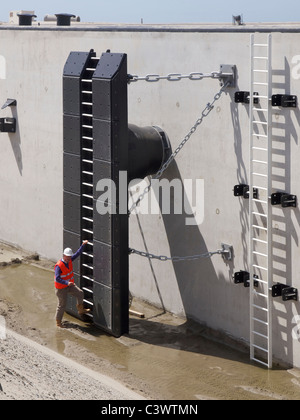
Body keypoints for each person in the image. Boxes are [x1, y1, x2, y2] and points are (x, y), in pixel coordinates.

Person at [54, 240, 90, 328]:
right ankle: (58, 322)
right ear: (63, 255)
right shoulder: (59, 266)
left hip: (69, 286)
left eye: (69, 257)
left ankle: (80, 310)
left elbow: (78, 253)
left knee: (80, 293)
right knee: (62, 305)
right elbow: (57, 278)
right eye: (67, 257)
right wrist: (67, 282)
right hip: (61, 288)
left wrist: (83, 245)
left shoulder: (69, 260)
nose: (69, 259)